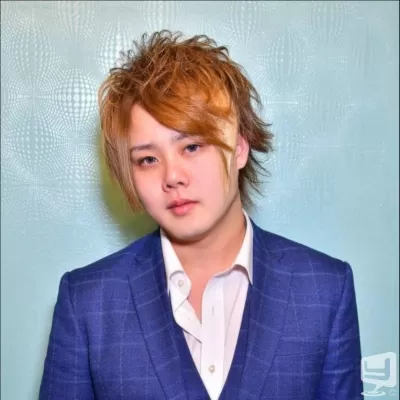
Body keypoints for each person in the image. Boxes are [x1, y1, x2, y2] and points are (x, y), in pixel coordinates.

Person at [39, 30, 363, 400]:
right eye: (148, 159)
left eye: (192, 146)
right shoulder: (88, 301)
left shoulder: (324, 289)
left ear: (239, 148)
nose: (172, 176)